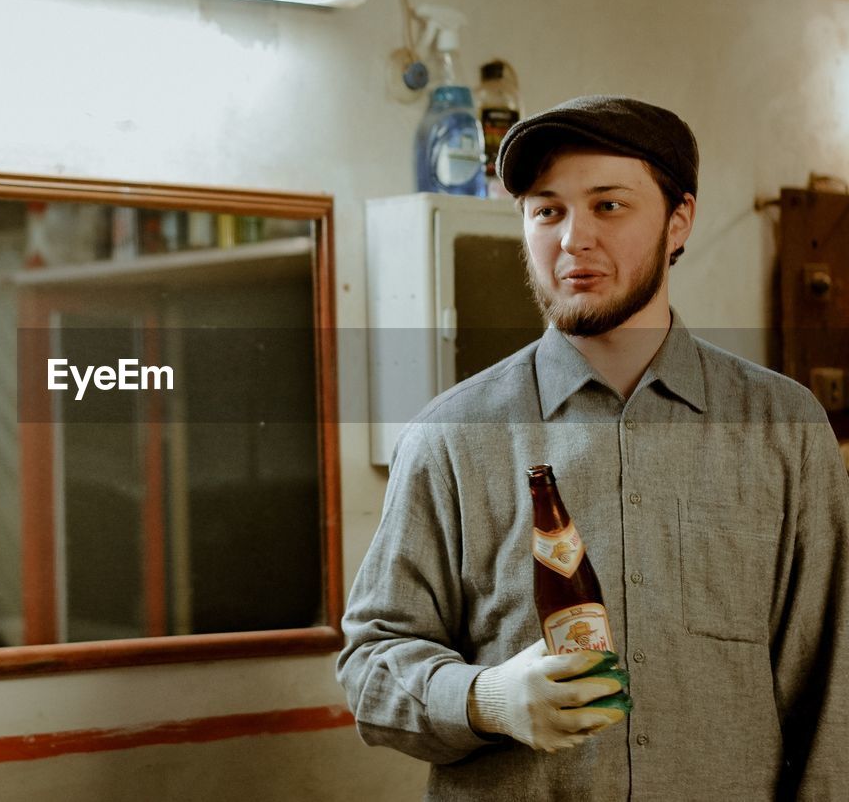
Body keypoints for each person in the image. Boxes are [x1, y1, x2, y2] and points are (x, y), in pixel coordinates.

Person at [337, 96, 849, 799]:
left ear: (679, 221)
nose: (573, 239)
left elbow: (833, 692)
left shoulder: (782, 428)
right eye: (547, 210)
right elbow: (371, 666)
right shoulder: (450, 437)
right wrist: (484, 698)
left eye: (609, 206)